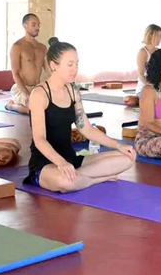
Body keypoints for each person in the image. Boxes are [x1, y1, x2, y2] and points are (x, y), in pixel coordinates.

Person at [26, 37, 136, 192]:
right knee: (65, 181)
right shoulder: (40, 94)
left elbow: (87, 129)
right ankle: (96, 179)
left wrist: (118, 145)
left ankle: (80, 178)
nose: (75, 69)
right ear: (53, 65)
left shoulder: (73, 92)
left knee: (127, 158)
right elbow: (39, 139)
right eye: (70, 64)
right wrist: (60, 163)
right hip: (46, 164)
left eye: (77, 64)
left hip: (71, 159)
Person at [7, 13, 48, 114]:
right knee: (33, 110)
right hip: (21, 88)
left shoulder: (42, 48)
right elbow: (15, 74)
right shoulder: (17, 47)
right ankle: (11, 105)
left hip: (37, 88)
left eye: (38, 25)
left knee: (50, 107)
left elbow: (48, 71)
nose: (37, 27)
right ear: (25, 26)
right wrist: (26, 93)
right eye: (34, 25)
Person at [135, 24, 161, 97]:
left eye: (160, 36)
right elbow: (141, 74)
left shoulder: (159, 52)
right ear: (150, 36)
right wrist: (151, 87)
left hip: (157, 87)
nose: (159, 39)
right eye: (158, 36)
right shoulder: (143, 52)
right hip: (144, 89)